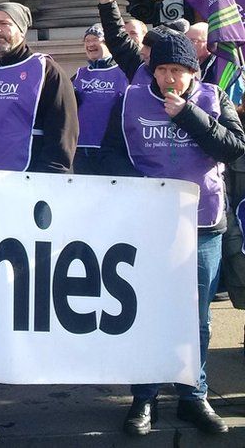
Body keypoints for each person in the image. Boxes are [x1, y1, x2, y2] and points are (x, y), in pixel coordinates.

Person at [99, 33, 245, 437]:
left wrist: (186, 114)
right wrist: (142, 188)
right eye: (161, 69)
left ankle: (193, 395)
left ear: (192, 73)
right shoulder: (130, 99)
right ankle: (143, 398)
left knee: (196, 318)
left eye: (177, 71)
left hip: (202, 224)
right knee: (147, 314)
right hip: (148, 225)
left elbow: (234, 147)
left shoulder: (215, 98)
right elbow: (111, 155)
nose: (168, 79)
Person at [0, 2, 78, 172]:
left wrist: (51, 177)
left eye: (5, 23)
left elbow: (63, 131)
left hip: (29, 177)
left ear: (22, 31)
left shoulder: (46, 70)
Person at [71, 24, 127, 174]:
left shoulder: (123, 72)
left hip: (110, 149)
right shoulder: (79, 74)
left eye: (95, 39)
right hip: (81, 149)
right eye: (86, 41)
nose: (90, 44)